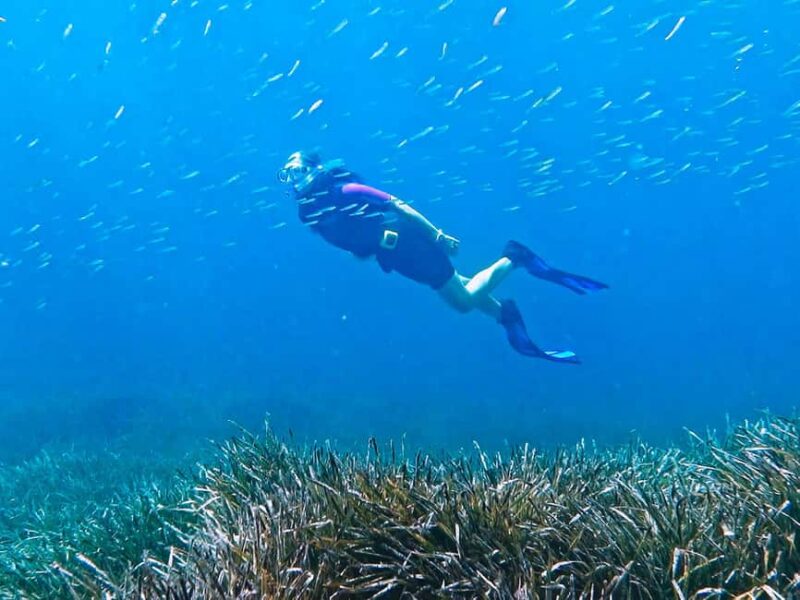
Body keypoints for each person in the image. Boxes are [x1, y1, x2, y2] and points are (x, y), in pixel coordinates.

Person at [277, 151, 608, 364]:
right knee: (460, 285)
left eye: (297, 171)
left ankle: (513, 256)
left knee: (462, 302)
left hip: (410, 245)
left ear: (313, 169)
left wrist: (437, 234)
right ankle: (505, 315)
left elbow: (396, 203)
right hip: (396, 256)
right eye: (288, 175)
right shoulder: (315, 212)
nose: (294, 180)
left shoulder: (344, 191)